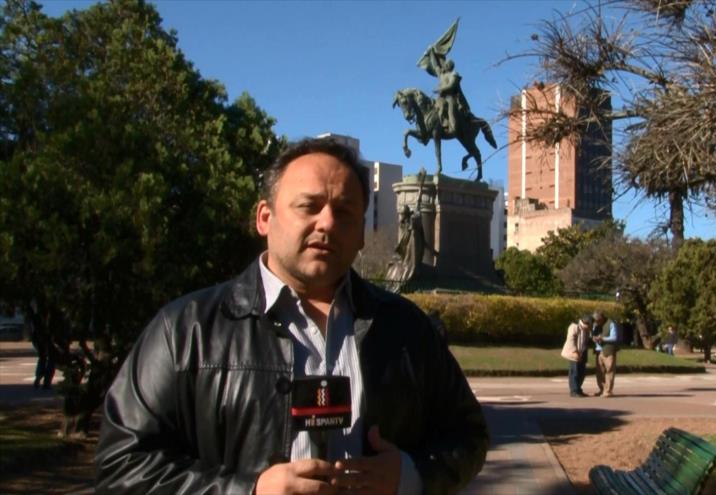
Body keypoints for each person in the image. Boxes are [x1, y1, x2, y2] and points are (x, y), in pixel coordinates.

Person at [96, 138, 488, 494]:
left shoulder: (406, 329)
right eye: (309, 206)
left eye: (345, 212)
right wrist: (248, 492)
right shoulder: (186, 330)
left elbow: (467, 434)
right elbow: (122, 467)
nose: (327, 223)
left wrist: (410, 475)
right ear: (264, 218)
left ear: (361, 235)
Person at [561, 315, 592, 397]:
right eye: (588, 325)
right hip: (574, 352)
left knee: (582, 372)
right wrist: (575, 351)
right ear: (584, 323)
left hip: (583, 352)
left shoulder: (587, 329)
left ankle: (578, 389)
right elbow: (571, 340)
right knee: (574, 372)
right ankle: (574, 391)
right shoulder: (574, 327)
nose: (589, 327)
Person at [591, 311, 619, 398]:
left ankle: (608, 391)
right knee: (600, 372)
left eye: (598, 320)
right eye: (595, 321)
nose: (596, 322)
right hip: (598, 350)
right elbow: (593, 334)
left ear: (602, 318)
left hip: (608, 350)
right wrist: (593, 338)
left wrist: (603, 338)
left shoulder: (611, 323)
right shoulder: (595, 324)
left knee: (609, 370)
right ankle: (602, 389)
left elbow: (614, 337)